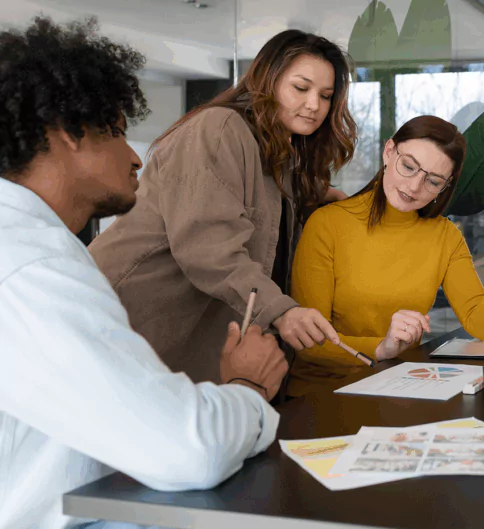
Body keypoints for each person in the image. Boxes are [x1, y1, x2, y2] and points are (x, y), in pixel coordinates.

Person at [0, 17, 288, 528]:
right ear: (67, 133)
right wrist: (247, 388)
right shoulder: (34, 269)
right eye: (115, 131)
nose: (134, 156)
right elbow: (187, 450)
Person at [88, 29, 358, 385]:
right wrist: (281, 311)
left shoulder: (280, 155)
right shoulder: (220, 128)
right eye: (301, 88)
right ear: (269, 80)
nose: (314, 106)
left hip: (178, 346)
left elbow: (262, 209)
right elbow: (208, 247)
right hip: (119, 317)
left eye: (325, 96)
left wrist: (325, 197)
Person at [285, 115, 484, 396]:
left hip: (401, 388)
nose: (413, 187)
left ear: (445, 187)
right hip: (326, 395)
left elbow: (483, 326)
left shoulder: (445, 236)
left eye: (433, 181)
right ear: (389, 152)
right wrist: (381, 347)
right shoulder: (328, 224)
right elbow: (309, 342)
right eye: (409, 166)